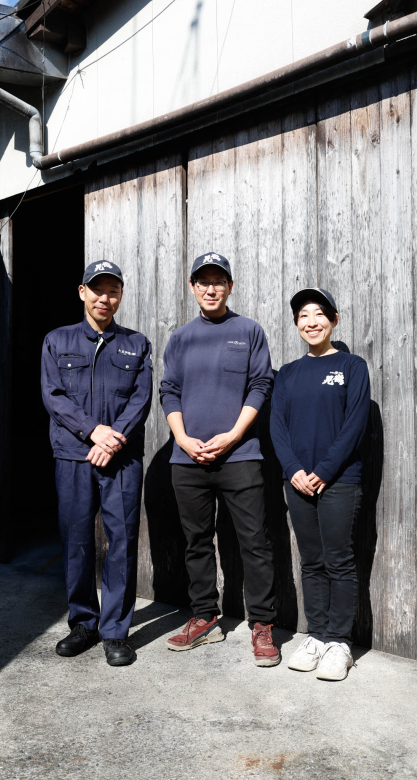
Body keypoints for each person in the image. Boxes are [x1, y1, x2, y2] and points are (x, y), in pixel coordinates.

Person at [159, 252, 279, 667]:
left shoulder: (248, 331)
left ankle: (262, 625)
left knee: (255, 542)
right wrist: (184, 440)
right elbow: (169, 390)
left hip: (240, 455)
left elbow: (261, 384)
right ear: (193, 287)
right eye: (202, 281)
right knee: (195, 542)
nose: (211, 288)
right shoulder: (180, 338)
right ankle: (205, 617)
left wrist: (232, 435)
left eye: (218, 281)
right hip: (187, 459)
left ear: (230, 286)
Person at [41, 261, 152, 666]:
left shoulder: (136, 343)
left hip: (121, 459)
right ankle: (83, 623)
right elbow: (53, 396)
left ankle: (115, 632)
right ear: (82, 292)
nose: (106, 298)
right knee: (77, 540)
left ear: (120, 295)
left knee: (121, 541)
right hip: (73, 454)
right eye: (98, 290)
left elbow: (141, 399)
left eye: (113, 291)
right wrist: (93, 431)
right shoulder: (57, 340)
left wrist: (113, 437)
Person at [270, 288, 370, 681]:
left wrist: (325, 471)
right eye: (303, 316)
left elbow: (354, 425)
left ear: (334, 319)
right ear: (297, 325)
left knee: (339, 560)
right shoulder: (289, 373)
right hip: (296, 482)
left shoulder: (351, 366)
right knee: (311, 562)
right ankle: (316, 635)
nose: (311, 322)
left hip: (339, 481)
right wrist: (293, 468)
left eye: (319, 314)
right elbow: (277, 426)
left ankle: (339, 644)